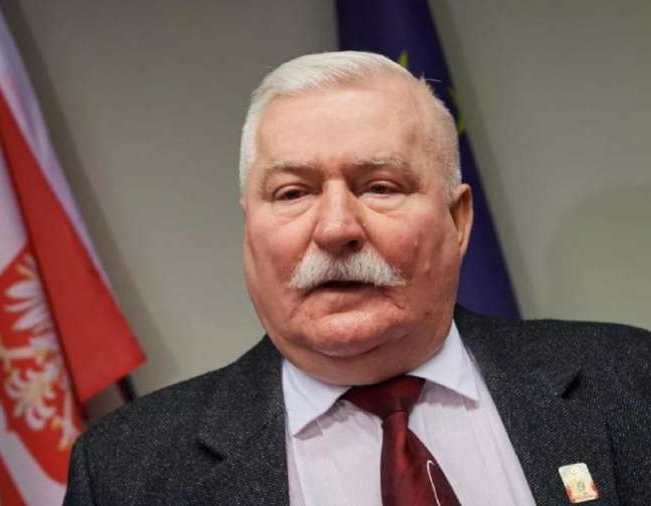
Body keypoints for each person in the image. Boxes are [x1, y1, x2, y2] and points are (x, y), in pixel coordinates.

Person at [64, 52, 651, 506]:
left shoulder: (630, 381)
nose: (336, 229)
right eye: (292, 193)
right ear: (249, 228)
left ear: (457, 221)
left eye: (380, 187)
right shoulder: (126, 471)